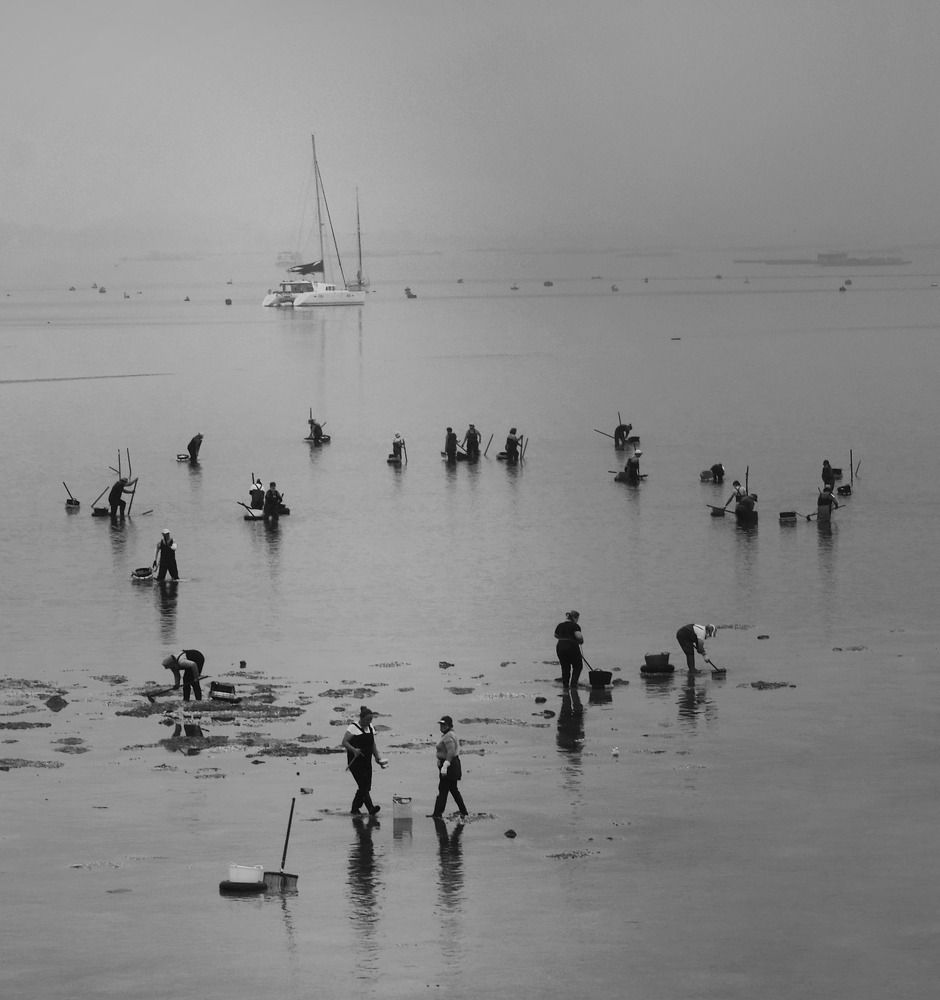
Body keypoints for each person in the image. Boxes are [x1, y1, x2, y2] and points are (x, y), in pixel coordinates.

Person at [341, 705, 387, 816]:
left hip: (367, 761)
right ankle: (370, 808)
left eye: (371, 719)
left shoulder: (370, 727)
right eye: (367, 719)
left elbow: (372, 744)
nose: (369, 721)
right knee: (363, 786)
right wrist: (354, 750)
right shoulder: (353, 728)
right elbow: (344, 742)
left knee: (367, 786)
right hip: (355, 762)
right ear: (361, 718)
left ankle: (355, 808)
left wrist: (377, 758)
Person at [429, 715, 468, 820]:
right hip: (451, 765)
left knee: (444, 789)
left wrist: (445, 765)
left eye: (444, 724)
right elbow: (446, 751)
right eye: (441, 724)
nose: (442, 726)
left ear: (449, 725)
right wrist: (440, 760)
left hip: (450, 766)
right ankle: (463, 811)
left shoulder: (448, 736)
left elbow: (451, 751)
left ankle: (437, 814)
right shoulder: (449, 734)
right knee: (452, 789)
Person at [554, 610, 584, 688]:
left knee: (565, 667)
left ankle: (565, 686)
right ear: (575, 618)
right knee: (578, 666)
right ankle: (573, 684)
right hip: (571, 646)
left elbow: (555, 635)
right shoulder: (575, 626)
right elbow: (579, 636)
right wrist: (580, 641)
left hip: (560, 647)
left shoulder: (560, 625)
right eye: (577, 619)